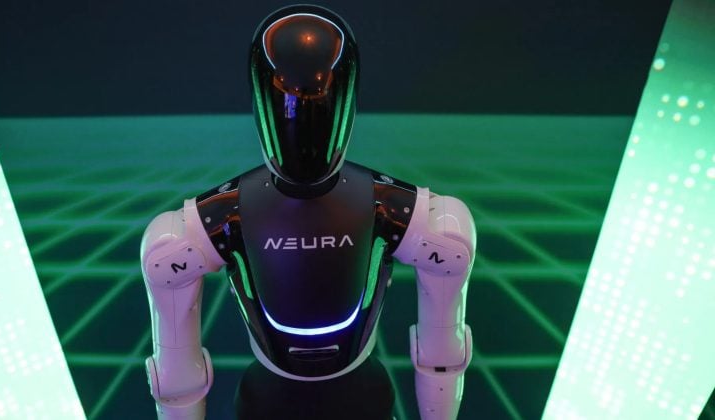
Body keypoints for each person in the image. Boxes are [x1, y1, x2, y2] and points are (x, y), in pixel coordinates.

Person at [140, 5, 476, 419]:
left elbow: (177, 375)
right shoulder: (397, 210)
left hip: (334, 398)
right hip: (293, 399)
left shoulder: (217, 220)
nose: (301, 119)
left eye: (316, 102)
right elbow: (441, 352)